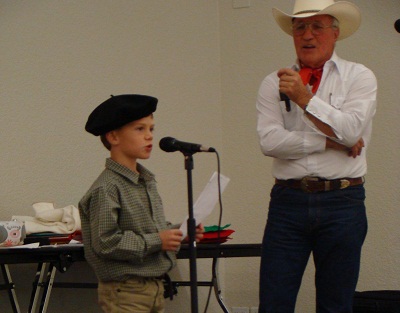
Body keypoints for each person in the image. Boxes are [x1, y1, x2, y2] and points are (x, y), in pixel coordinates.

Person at [256, 1, 377, 312]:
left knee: (336, 304)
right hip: (288, 201)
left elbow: (350, 132)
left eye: (317, 26)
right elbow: (269, 142)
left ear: (335, 33)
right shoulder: (274, 81)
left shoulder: (359, 76)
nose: (307, 35)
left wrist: (304, 99)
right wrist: (328, 142)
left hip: (343, 201)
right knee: (274, 303)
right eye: (300, 27)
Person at [79, 94, 203, 313]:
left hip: (153, 286)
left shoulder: (145, 180)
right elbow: (106, 243)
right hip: (125, 290)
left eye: (151, 129)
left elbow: (150, 229)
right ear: (113, 137)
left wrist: (178, 233)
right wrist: (158, 240)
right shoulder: (107, 187)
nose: (149, 137)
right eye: (140, 129)